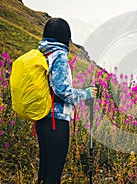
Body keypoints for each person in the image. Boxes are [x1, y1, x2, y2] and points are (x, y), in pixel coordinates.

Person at [36, 17, 96, 184]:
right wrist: (86, 94)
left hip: (41, 117)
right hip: (57, 121)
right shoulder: (59, 55)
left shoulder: (42, 52)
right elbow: (62, 91)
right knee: (54, 174)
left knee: (45, 171)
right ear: (65, 36)